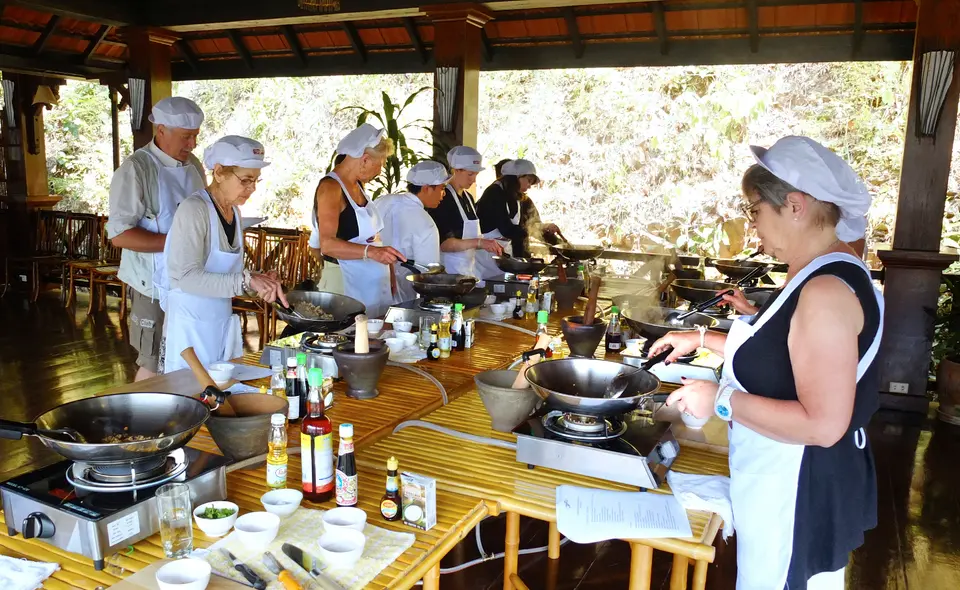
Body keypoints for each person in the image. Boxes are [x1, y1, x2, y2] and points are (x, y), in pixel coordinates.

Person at [650, 136, 883, 590]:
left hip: (797, 489)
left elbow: (822, 425)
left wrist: (720, 400)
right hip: (784, 477)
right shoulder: (821, 270)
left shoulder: (824, 291)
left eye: (754, 210)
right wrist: (702, 337)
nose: (752, 225)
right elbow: (781, 355)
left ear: (794, 205)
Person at [162, 136, 287, 374]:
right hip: (189, 329)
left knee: (222, 389)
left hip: (219, 322)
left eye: (256, 180)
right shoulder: (194, 210)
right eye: (246, 180)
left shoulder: (234, 213)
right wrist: (247, 280)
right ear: (219, 172)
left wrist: (260, 280)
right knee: (190, 391)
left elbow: (228, 276)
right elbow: (186, 277)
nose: (252, 188)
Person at [107, 97, 207, 382]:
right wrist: (177, 242)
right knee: (153, 360)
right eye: (186, 137)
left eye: (195, 136)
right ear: (161, 130)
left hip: (192, 278)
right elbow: (120, 235)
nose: (192, 144)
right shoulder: (136, 169)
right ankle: (141, 410)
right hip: (152, 284)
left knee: (191, 353)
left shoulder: (193, 165)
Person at [314, 124, 404, 318]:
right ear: (365, 159)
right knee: (350, 334)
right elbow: (327, 245)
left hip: (373, 286)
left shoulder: (358, 185)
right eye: (380, 164)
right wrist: (372, 252)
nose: (379, 171)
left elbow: (373, 237)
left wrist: (388, 269)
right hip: (346, 284)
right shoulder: (331, 188)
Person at [375, 161, 450, 303]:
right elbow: (430, 272)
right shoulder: (426, 222)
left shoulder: (382, 201)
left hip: (371, 282)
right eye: (442, 188)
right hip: (402, 289)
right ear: (426, 188)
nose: (444, 194)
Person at [475, 158, 563, 279]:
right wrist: (535, 230)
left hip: (502, 252)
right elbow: (507, 229)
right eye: (528, 181)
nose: (529, 186)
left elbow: (530, 223)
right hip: (486, 256)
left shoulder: (517, 197)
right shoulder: (493, 193)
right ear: (516, 177)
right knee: (490, 284)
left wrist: (556, 241)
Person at [428, 146, 503, 278]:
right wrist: (479, 243)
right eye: (470, 174)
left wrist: (489, 243)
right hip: (448, 272)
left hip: (468, 270)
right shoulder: (443, 199)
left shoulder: (468, 197)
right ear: (456, 170)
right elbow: (444, 244)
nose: (473, 180)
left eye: (476, 174)